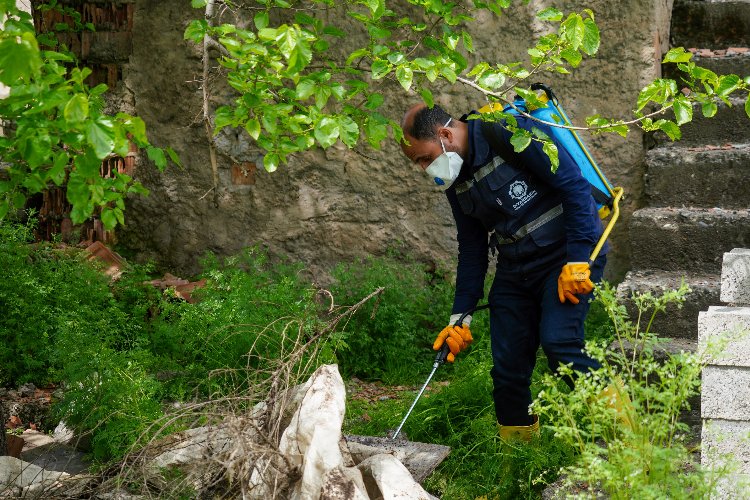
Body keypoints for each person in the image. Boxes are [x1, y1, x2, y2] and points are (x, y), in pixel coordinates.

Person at [399, 101, 608, 441]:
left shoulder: (509, 132)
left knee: (561, 343)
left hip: (567, 256)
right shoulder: (454, 175)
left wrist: (578, 260)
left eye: (423, 158)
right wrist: (460, 316)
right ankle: (520, 469)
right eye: (418, 163)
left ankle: (629, 446)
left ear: (445, 135)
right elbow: (472, 246)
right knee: (508, 371)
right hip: (516, 268)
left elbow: (573, 186)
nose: (423, 168)